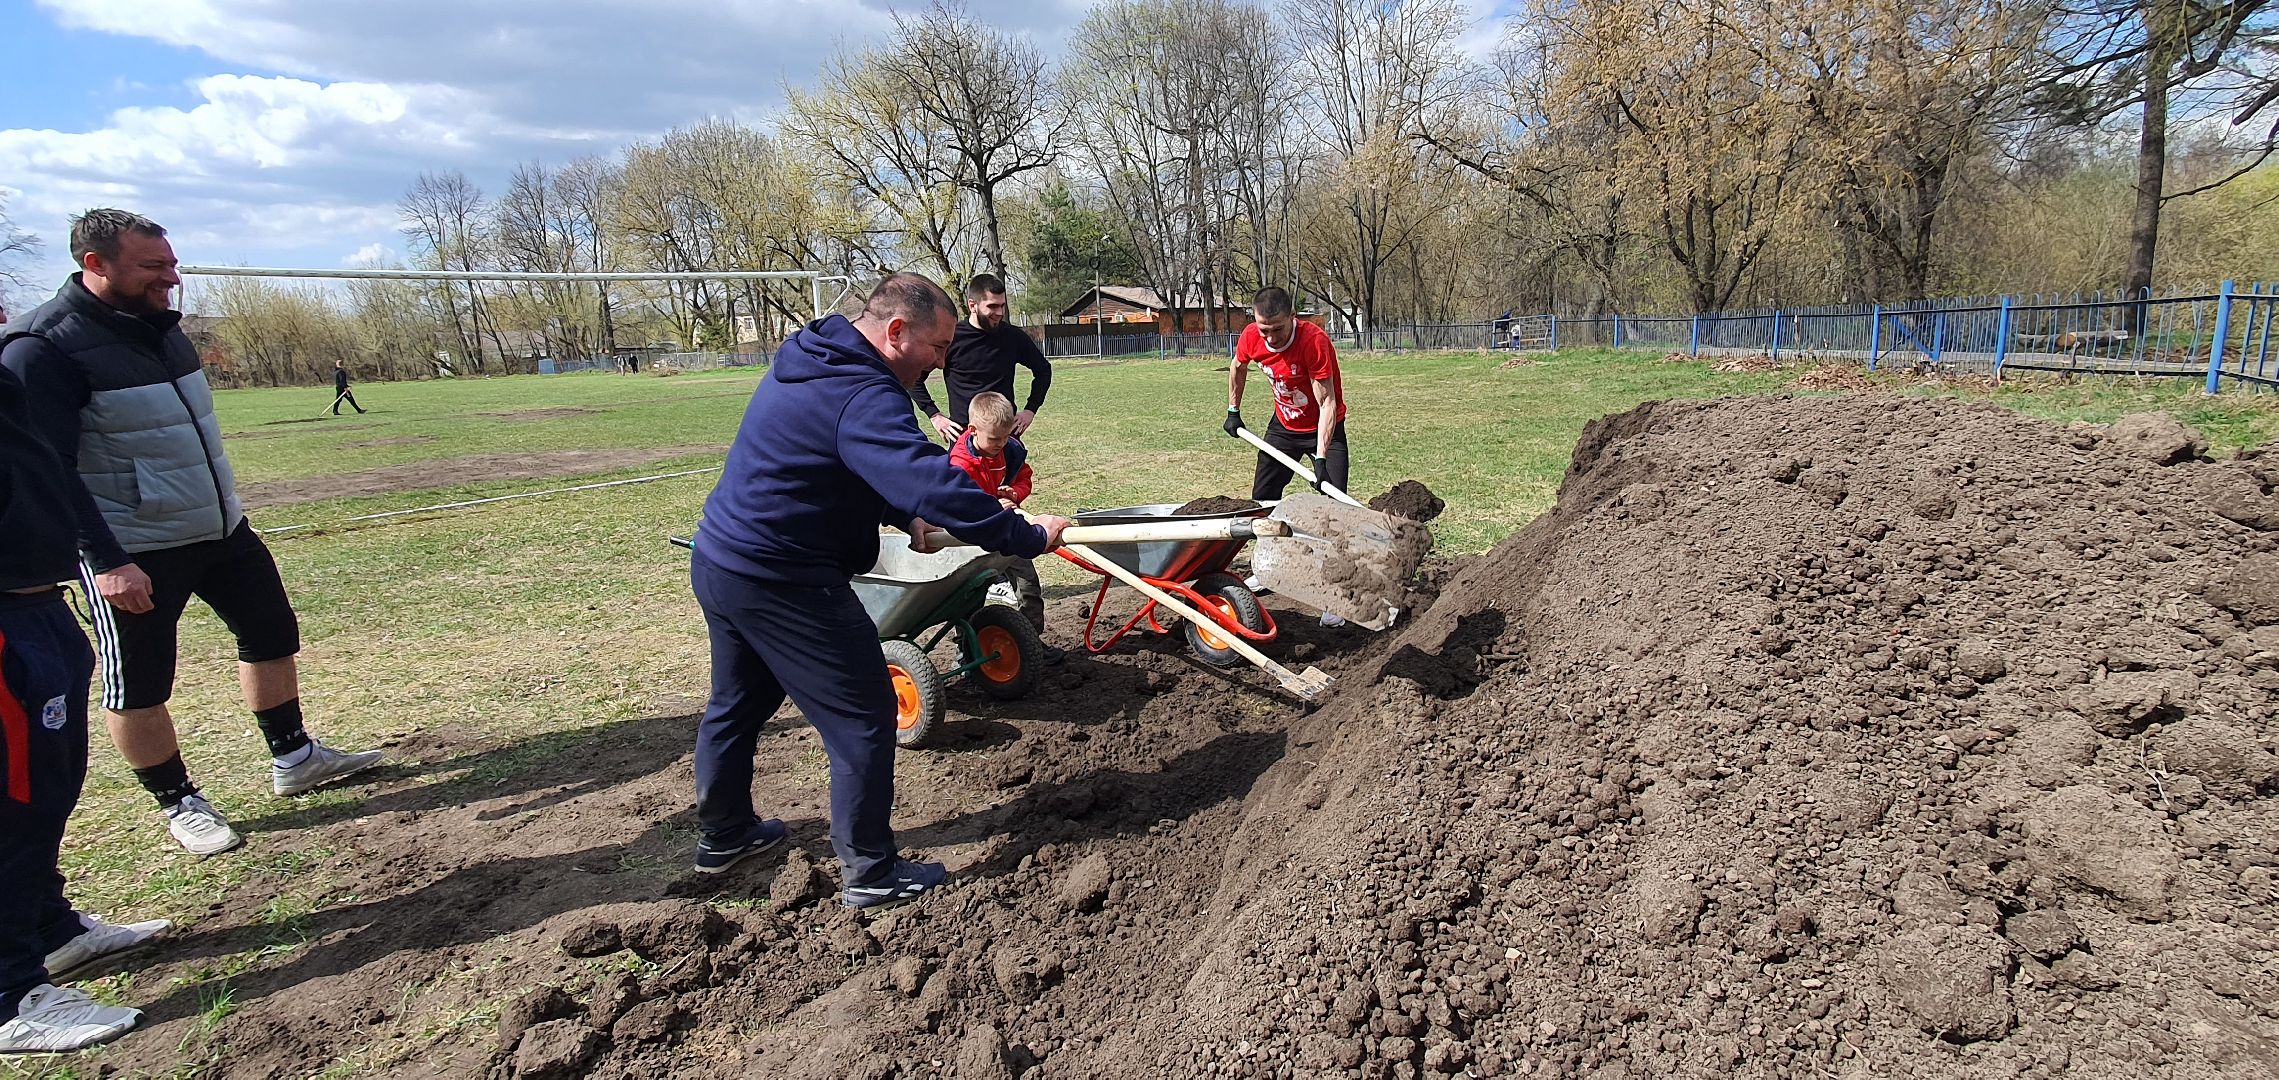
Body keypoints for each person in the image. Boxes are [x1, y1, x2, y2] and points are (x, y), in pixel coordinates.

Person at [0, 209, 383, 858]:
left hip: (219, 529)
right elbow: (50, 473)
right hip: (133, 548)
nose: (171, 279)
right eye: (154, 267)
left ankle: (294, 756)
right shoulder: (43, 350)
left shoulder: (163, 331)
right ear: (95, 264)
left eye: (172, 264)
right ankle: (179, 800)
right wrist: (107, 560)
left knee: (270, 636)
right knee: (140, 682)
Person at [689, 273, 1071, 909]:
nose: (945, 361)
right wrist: (1024, 533)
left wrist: (904, 519)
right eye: (939, 346)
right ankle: (871, 871)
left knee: (738, 704)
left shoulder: (817, 361)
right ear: (896, 333)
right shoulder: (864, 392)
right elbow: (931, 480)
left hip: (724, 559)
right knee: (865, 712)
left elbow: (842, 465)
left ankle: (724, 835)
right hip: (785, 577)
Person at [0, 297, 162, 1054]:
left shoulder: (5, 376)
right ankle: (10, 997)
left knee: (49, 785)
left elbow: (47, 476)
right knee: (13, 797)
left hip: (40, 604)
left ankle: (51, 930)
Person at [1224, 286, 1351, 626]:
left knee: (1334, 509)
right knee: (1263, 500)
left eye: (1277, 329)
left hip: (1324, 429)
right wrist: (1233, 409)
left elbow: (1327, 403)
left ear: (1292, 317)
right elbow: (1237, 366)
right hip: (1282, 429)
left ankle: (1336, 596)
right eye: (1264, 329)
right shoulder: (1253, 336)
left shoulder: (1314, 342)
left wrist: (1321, 459)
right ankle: (1270, 570)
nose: (1271, 337)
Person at [948, 391, 1048, 633]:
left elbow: (1024, 478)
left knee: (1029, 586)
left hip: (1008, 530)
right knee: (969, 596)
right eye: (994, 439)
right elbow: (962, 504)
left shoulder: (1009, 450)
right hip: (974, 537)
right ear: (972, 430)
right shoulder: (959, 464)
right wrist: (994, 506)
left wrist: (1014, 494)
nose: (1000, 444)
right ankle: (967, 648)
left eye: (1005, 438)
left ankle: (1032, 640)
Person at [911, 273, 1052, 444]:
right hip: (964, 436)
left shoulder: (1013, 337)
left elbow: (1043, 370)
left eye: (1002, 306)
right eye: (992, 306)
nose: (999, 313)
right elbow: (915, 377)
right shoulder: (952, 337)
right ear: (972, 305)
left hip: (1005, 435)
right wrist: (934, 415)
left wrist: (1030, 410)